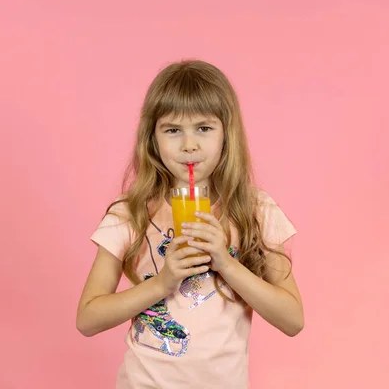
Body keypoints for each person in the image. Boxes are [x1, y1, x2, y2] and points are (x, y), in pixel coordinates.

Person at [76, 59, 304, 388]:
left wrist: (226, 262)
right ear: (152, 139)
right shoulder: (130, 213)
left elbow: (292, 319)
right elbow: (87, 319)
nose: (189, 145)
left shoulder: (255, 210)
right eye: (173, 130)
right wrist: (161, 284)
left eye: (203, 128)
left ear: (227, 134)